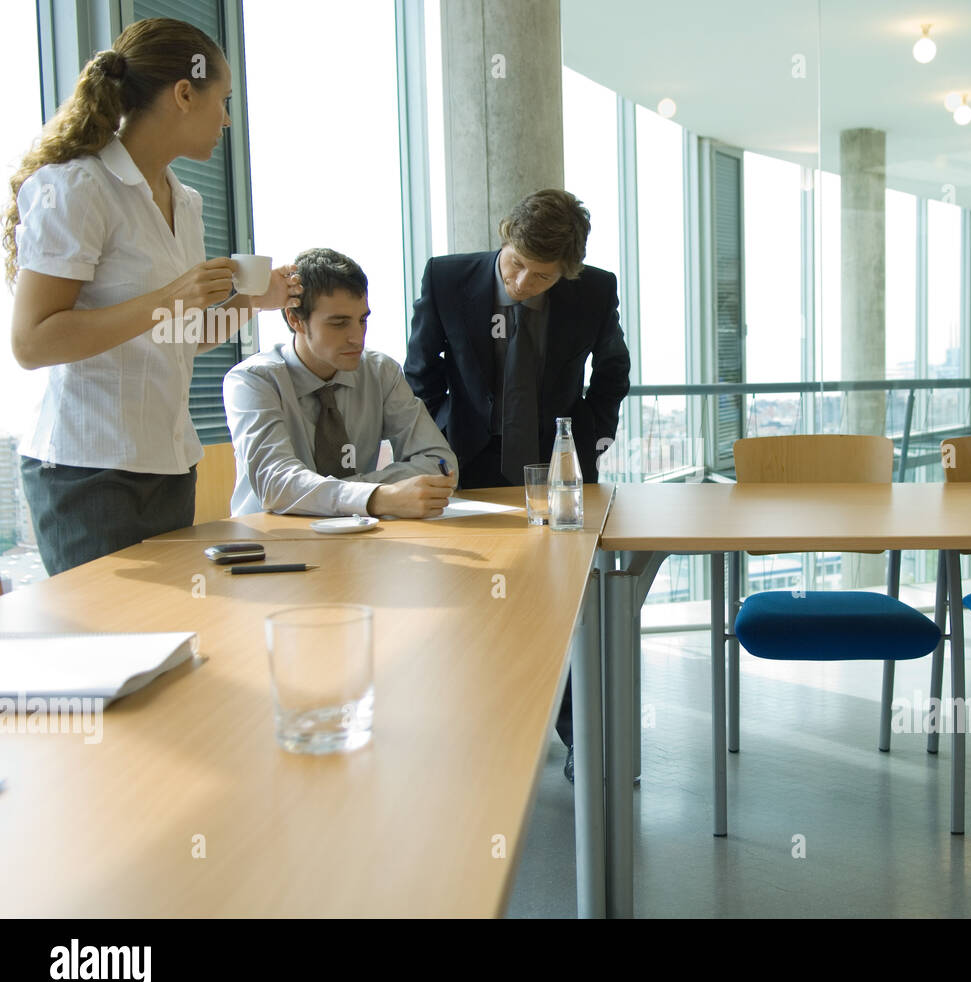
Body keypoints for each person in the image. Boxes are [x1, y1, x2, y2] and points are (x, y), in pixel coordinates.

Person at [4, 17, 300, 575]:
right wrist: (172, 296)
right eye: (223, 100)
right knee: (111, 652)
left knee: (172, 648)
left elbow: (175, 338)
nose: (227, 119)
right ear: (184, 93)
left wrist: (249, 304)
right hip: (86, 472)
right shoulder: (76, 187)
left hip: (168, 465)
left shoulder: (185, 202)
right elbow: (31, 343)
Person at [405, 188, 631, 781]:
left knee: (571, 605)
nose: (524, 281)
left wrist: (586, 444)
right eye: (515, 264)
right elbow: (420, 379)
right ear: (504, 238)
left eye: (543, 275)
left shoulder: (594, 290)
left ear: (569, 270)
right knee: (477, 606)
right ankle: (487, 733)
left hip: (557, 471)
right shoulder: (448, 278)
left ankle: (582, 736)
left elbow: (612, 372)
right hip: (470, 469)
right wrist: (435, 456)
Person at [224, 248, 458, 518]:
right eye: (339, 324)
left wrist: (351, 493)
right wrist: (377, 497)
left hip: (361, 539)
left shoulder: (380, 372)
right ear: (295, 319)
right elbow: (276, 484)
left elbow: (440, 463)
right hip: (274, 544)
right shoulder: (252, 381)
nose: (357, 338)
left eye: (362, 320)